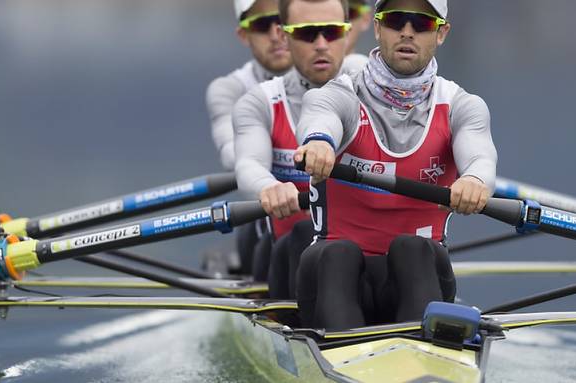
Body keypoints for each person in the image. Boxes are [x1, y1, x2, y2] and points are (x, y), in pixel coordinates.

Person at [293, 0, 498, 329]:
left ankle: (422, 363)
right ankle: (349, 355)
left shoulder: (463, 106)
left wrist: (474, 179)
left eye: (421, 23)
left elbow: (480, 156)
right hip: (334, 278)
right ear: (377, 28)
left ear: (441, 33)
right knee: (338, 254)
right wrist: (319, 142)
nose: (407, 32)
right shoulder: (341, 94)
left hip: (418, 276)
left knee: (413, 249)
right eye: (395, 20)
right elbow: (320, 115)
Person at [233, 0, 365, 297]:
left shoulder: (374, 89)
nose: (321, 45)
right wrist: (269, 186)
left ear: (346, 33)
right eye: (307, 34)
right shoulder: (259, 102)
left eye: (331, 33)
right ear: (284, 35)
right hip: (289, 255)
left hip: (367, 256)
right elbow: (247, 166)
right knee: (306, 234)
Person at [205, 0, 293, 277]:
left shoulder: (337, 74)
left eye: (283, 20)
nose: (276, 33)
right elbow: (235, 156)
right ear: (244, 35)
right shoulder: (229, 89)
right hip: (265, 223)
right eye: (262, 25)